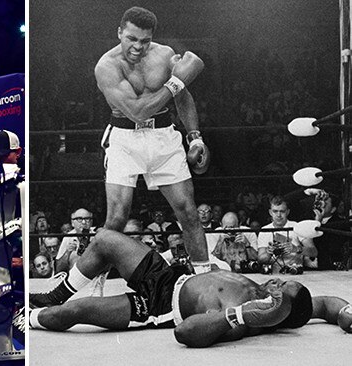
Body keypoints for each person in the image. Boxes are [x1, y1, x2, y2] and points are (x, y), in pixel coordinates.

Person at [29, 229, 352, 348]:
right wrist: (348, 312)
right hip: (168, 275)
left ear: (279, 306)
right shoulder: (285, 299)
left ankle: (29, 317)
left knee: (73, 312)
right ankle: (56, 291)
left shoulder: (246, 321)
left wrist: (239, 315)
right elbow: (324, 305)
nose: (278, 280)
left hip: (160, 307)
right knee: (104, 239)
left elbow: (184, 333)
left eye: (283, 287)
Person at [94, 6, 211, 273]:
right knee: (116, 219)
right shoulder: (107, 66)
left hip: (164, 136)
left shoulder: (165, 54)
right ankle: (92, 287)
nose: (137, 46)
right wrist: (176, 81)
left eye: (144, 41)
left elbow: (183, 98)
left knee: (188, 212)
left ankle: (204, 279)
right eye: (131, 39)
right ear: (120, 32)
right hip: (124, 138)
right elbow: (136, 111)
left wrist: (195, 138)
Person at [257, 196, 317, 273]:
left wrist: (297, 249)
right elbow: (260, 259)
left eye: (282, 211)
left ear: (287, 212)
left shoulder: (298, 227)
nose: (278, 215)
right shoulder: (264, 230)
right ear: (270, 212)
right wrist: (269, 252)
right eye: (275, 211)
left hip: (295, 272)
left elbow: (314, 252)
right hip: (272, 274)